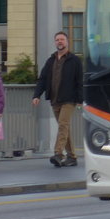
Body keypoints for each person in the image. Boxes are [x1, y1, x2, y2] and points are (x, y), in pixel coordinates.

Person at [32, 31, 84, 167]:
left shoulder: (75, 60)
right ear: (55, 43)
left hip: (69, 99)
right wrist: (37, 95)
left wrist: (80, 99)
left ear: (67, 42)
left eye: (62, 39)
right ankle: (72, 157)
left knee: (62, 124)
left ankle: (58, 153)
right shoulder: (51, 61)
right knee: (64, 127)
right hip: (55, 99)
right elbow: (42, 79)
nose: (59, 42)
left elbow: (80, 81)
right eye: (57, 40)